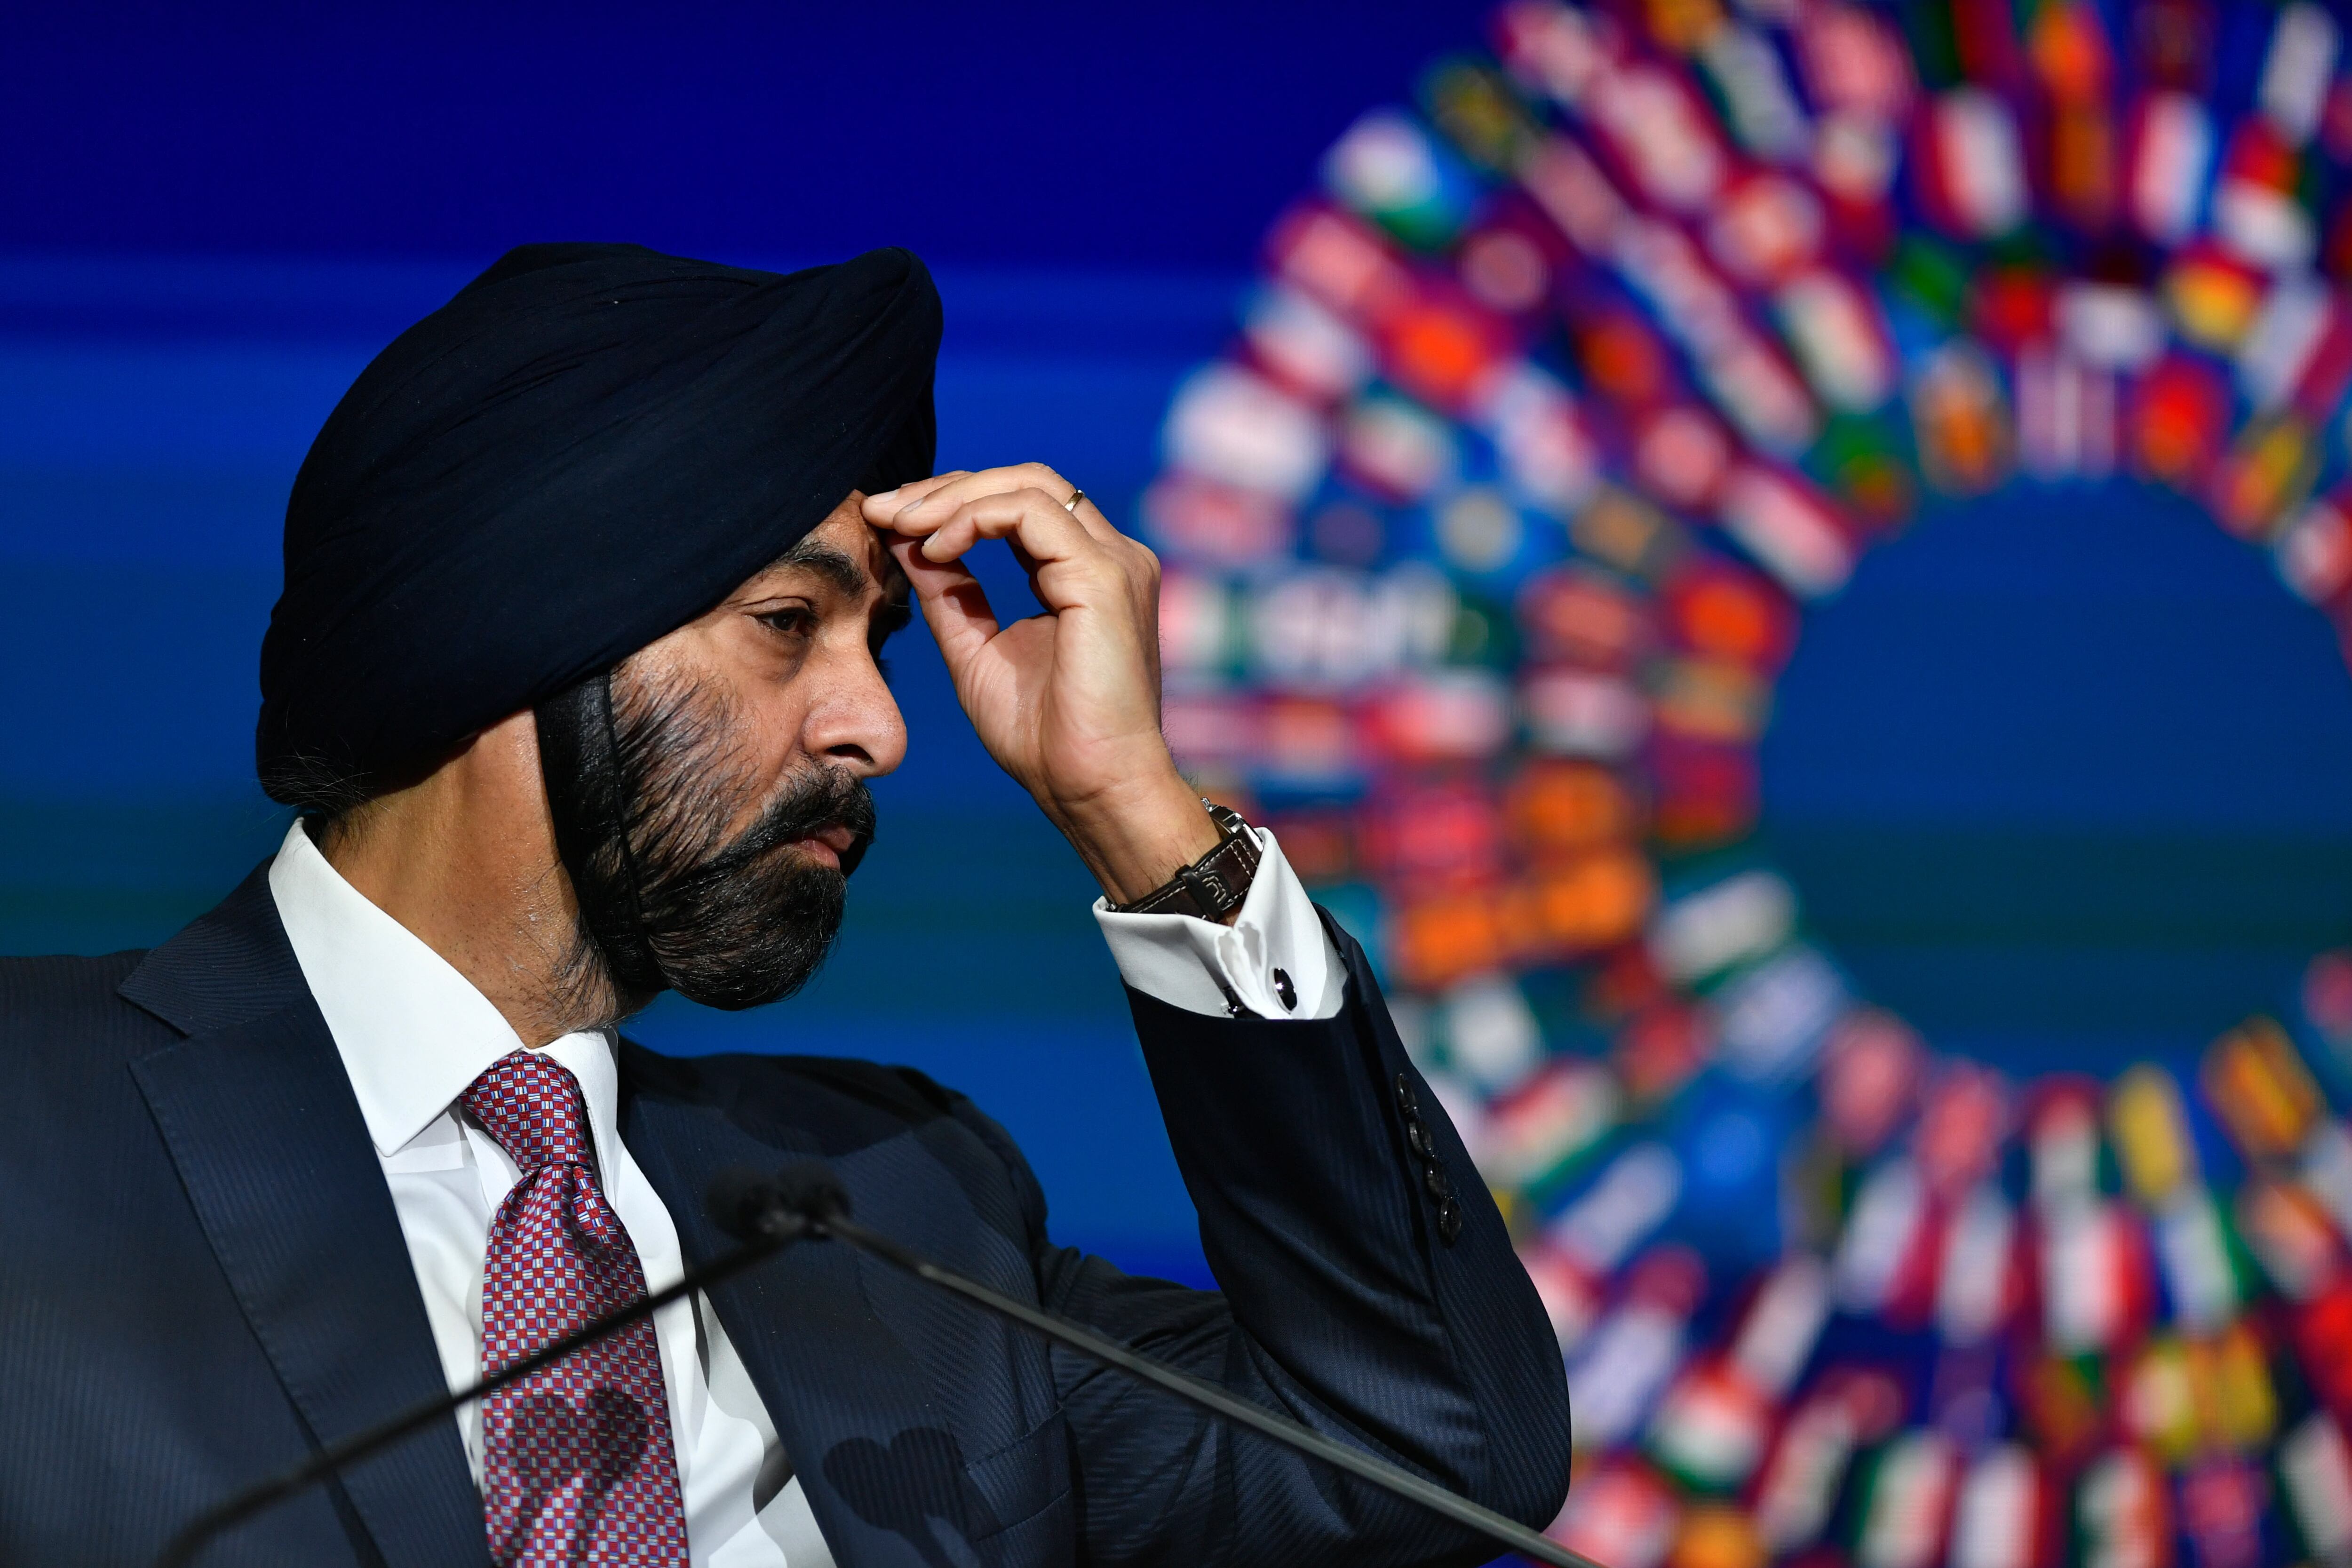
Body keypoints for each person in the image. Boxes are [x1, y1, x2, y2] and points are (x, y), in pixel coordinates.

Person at [0, 243, 1570, 1568]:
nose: (879, 730)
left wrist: (1143, 818)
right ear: (511, 638)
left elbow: (1435, 1443)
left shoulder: (896, 1204)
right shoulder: (34, 1115)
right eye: (785, 622)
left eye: (876, 641)